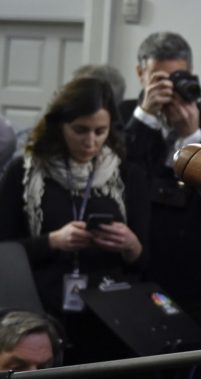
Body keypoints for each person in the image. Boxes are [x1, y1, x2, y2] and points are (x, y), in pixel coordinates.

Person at [0, 78, 149, 365]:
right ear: (59, 125)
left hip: (109, 316)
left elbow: (144, 260)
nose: (90, 141)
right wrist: (52, 242)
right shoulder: (23, 172)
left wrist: (131, 245)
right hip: (41, 312)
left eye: (100, 131)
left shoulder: (129, 176)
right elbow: (5, 251)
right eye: (80, 130)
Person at [120, 31, 201, 330]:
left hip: (193, 261)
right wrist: (144, 118)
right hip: (136, 255)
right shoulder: (120, 116)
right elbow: (118, 171)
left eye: (178, 77)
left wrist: (192, 138)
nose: (170, 88)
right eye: (159, 78)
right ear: (139, 73)